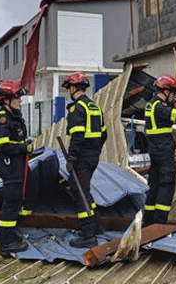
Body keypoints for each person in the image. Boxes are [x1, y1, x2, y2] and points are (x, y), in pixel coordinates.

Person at [62, 72, 107, 247]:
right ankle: (97, 226)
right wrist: (95, 150)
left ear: (73, 88)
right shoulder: (94, 107)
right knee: (85, 191)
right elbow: (104, 134)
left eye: (69, 87)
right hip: (92, 156)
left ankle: (88, 236)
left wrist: (72, 158)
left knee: (79, 193)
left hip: (81, 158)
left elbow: (77, 135)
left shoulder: (77, 108)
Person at [0, 80, 31, 255]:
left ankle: (11, 235)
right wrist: (23, 147)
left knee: (16, 201)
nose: (20, 100)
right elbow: (2, 145)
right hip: (10, 165)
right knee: (11, 202)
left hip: (17, 164)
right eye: (17, 98)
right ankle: (6, 242)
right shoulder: (3, 118)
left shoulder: (13, 116)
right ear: (6, 99)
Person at [143, 75, 176, 226]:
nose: (174, 96)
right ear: (166, 91)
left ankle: (148, 222)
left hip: (154, 152)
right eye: (174, 92)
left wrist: (172, 104)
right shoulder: (159, 107)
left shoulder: (151, 104)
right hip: (164, 152)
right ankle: (160, 224)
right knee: (166, 186)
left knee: (154, 186)